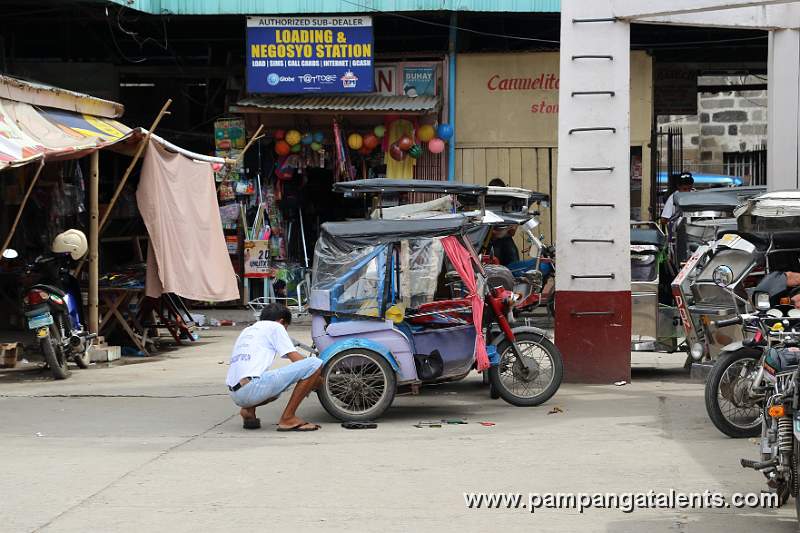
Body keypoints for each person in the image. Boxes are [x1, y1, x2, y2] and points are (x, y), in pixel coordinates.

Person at [226, 303, 323, 431]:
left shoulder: (248, 329)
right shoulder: (276, 327)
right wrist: (319, 377)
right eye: (286, 327)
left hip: (235, 393)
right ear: (282, 321)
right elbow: (295, 359)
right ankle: (288, 418)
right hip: (251, 388)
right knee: (315, 363)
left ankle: (248, 409)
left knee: (276, 387)